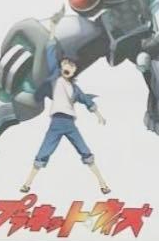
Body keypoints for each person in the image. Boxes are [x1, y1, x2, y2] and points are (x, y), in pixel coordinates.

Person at [23, 48, 110, 194]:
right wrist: (52, 38)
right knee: (44, 152)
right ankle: (27, 184)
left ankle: (103, 184)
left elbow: (86, 100)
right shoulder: (55, 78)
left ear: (75, 70)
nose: (68, 67)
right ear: (62, 65)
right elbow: (51, 57)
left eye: (72, 66)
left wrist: (98, 115)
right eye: (66, 64)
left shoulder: (74, 88)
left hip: (70, 124)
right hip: (56, 122)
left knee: (85, 151)